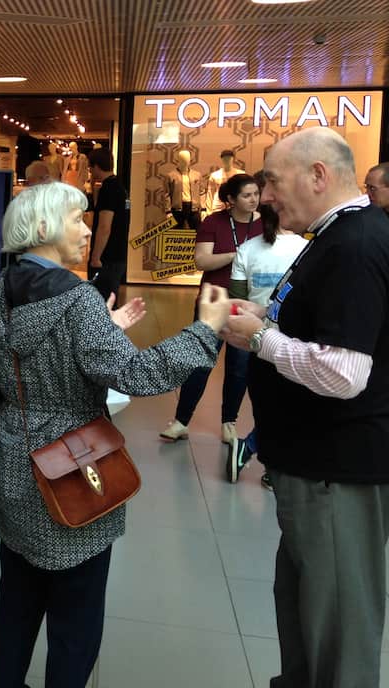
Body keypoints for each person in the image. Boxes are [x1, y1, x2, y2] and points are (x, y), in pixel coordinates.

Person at [0, 182, 230, 687]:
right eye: (76, 219)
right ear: (41, 229)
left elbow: (37, 354)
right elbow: (138, 376)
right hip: (73, 463)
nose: (87, 228)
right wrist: (203, 330)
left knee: (18, 595)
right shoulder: (78, 300)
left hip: (15, 451)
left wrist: (104, 327)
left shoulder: (4, 286)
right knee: (76, 611)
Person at [223, 127, 389, 687]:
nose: (264, 195)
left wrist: (259, 340)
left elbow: (344, 372)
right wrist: (266, 319)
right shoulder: (332, 239)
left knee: (336, 625)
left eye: (271, 180)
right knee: (305, 609)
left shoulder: (355, 246)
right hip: (313, 471)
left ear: (318, 175)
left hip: (335, 472)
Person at [159, 173, 262, 443]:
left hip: (246, 305)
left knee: (239, 367)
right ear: (230, 199)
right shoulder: (214, 222)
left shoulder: (265, 224)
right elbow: (202, 261)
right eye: (247, 195)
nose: (253, 200)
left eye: (256, 194)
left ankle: (229, 423)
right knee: (201, 360)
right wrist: (236, 255)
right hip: (213, 302)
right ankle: (181, 421)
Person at [226, 178, 307, 487]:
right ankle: (261, 455)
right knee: (289, 403)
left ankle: (258, 452)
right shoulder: (306, 249)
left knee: (265, 401)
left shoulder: (246, 249)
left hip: (253, 338)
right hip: (293, 340)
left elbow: (237, 297)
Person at [87, 148, 127, 301]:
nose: (90, 171)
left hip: (107, 257)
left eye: (90, 167)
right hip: (118, 254)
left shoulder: (108, 189)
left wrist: (96, 257)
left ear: (97, 166)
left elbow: (104, 226)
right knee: (111, 299)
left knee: (102, 302)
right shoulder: (120, 187)